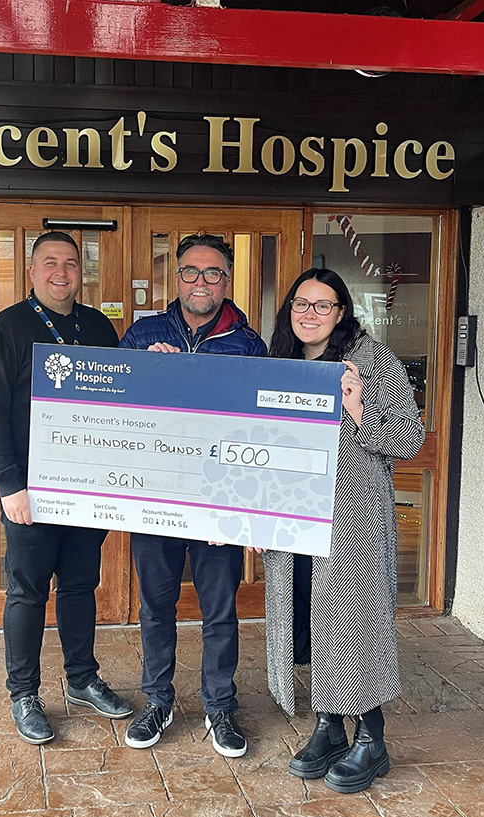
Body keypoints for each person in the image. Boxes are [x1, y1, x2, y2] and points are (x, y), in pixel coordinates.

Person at [263, 268, 425, 792]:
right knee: (310, 625)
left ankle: (371, 737)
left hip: (352, 519)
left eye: (322, 305)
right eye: (300, 304)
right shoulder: (280, 363)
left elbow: (409, 440)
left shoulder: (373, 362)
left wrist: (357, 409)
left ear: (341, 312)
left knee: (352, 627)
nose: (309, 314)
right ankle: (329, 725)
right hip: (294, 522)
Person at [0, 231, 132, 745]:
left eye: (69, 263)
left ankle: (82, 678)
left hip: (89, 490)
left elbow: (125, 402)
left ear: (79, 271)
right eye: (49, 263)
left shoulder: (100, 328)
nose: (60, 272)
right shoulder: (8, 329)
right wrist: (8, 484)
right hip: (31, 495)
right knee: (28, 593)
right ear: (32, 271)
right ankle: (24, 694)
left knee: (81, 587)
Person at [119, 234, 267, 757]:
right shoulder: (142, 335)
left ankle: (219, 706)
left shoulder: (248, 343)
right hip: (155, 499)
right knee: (156, 607)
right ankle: (157, 701)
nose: (200, 282)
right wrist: (145, 375)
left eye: (212, 273)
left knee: (219, 609)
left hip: (219, 500)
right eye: (189, 272)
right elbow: (113, 411)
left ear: (226, 281)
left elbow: (261, 429)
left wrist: (255, 512)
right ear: (175, 278)